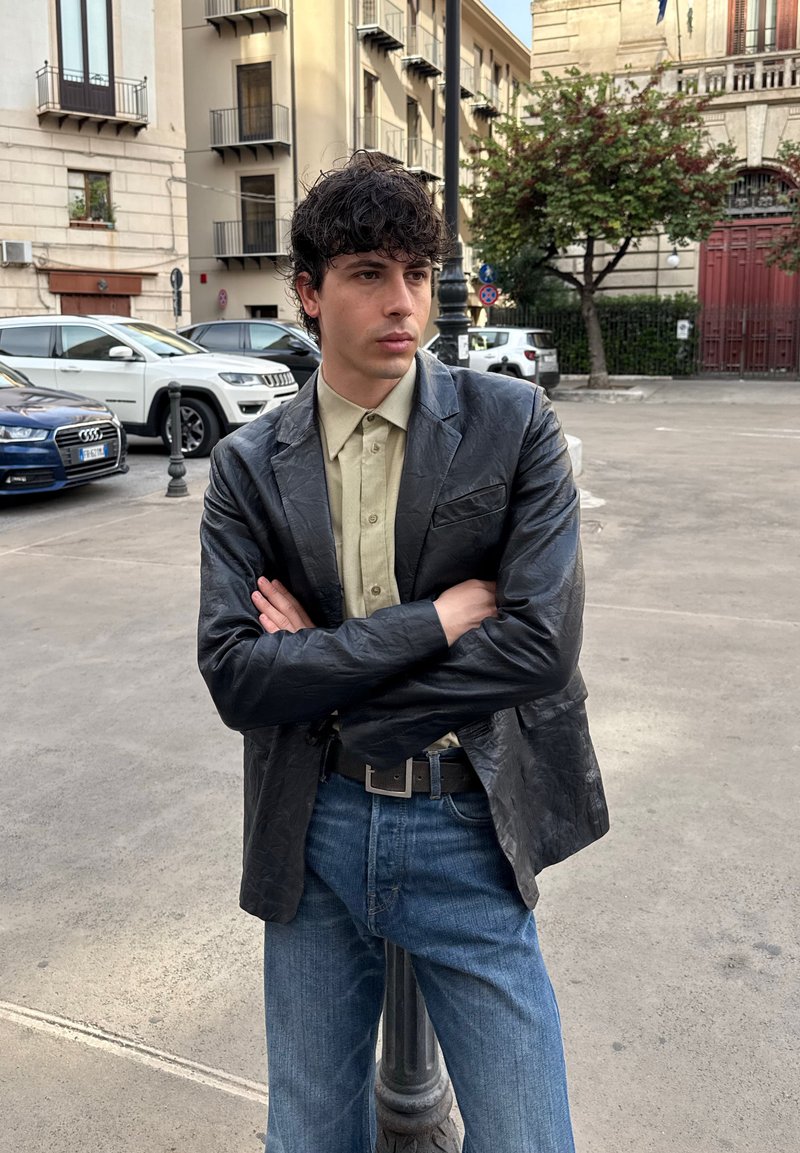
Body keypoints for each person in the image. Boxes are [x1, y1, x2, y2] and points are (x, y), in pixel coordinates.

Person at [198, 151, 609, 1153]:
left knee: (527, 1137)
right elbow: (237, 675)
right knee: (306, 1133)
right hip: (313, 826)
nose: (403, 303)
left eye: (417, 274)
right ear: (308, 291)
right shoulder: (248, 466)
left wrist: (336, 683)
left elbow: (540, 645)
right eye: (368, 274)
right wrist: (431, 621)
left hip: (466, 818)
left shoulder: (510, 425)